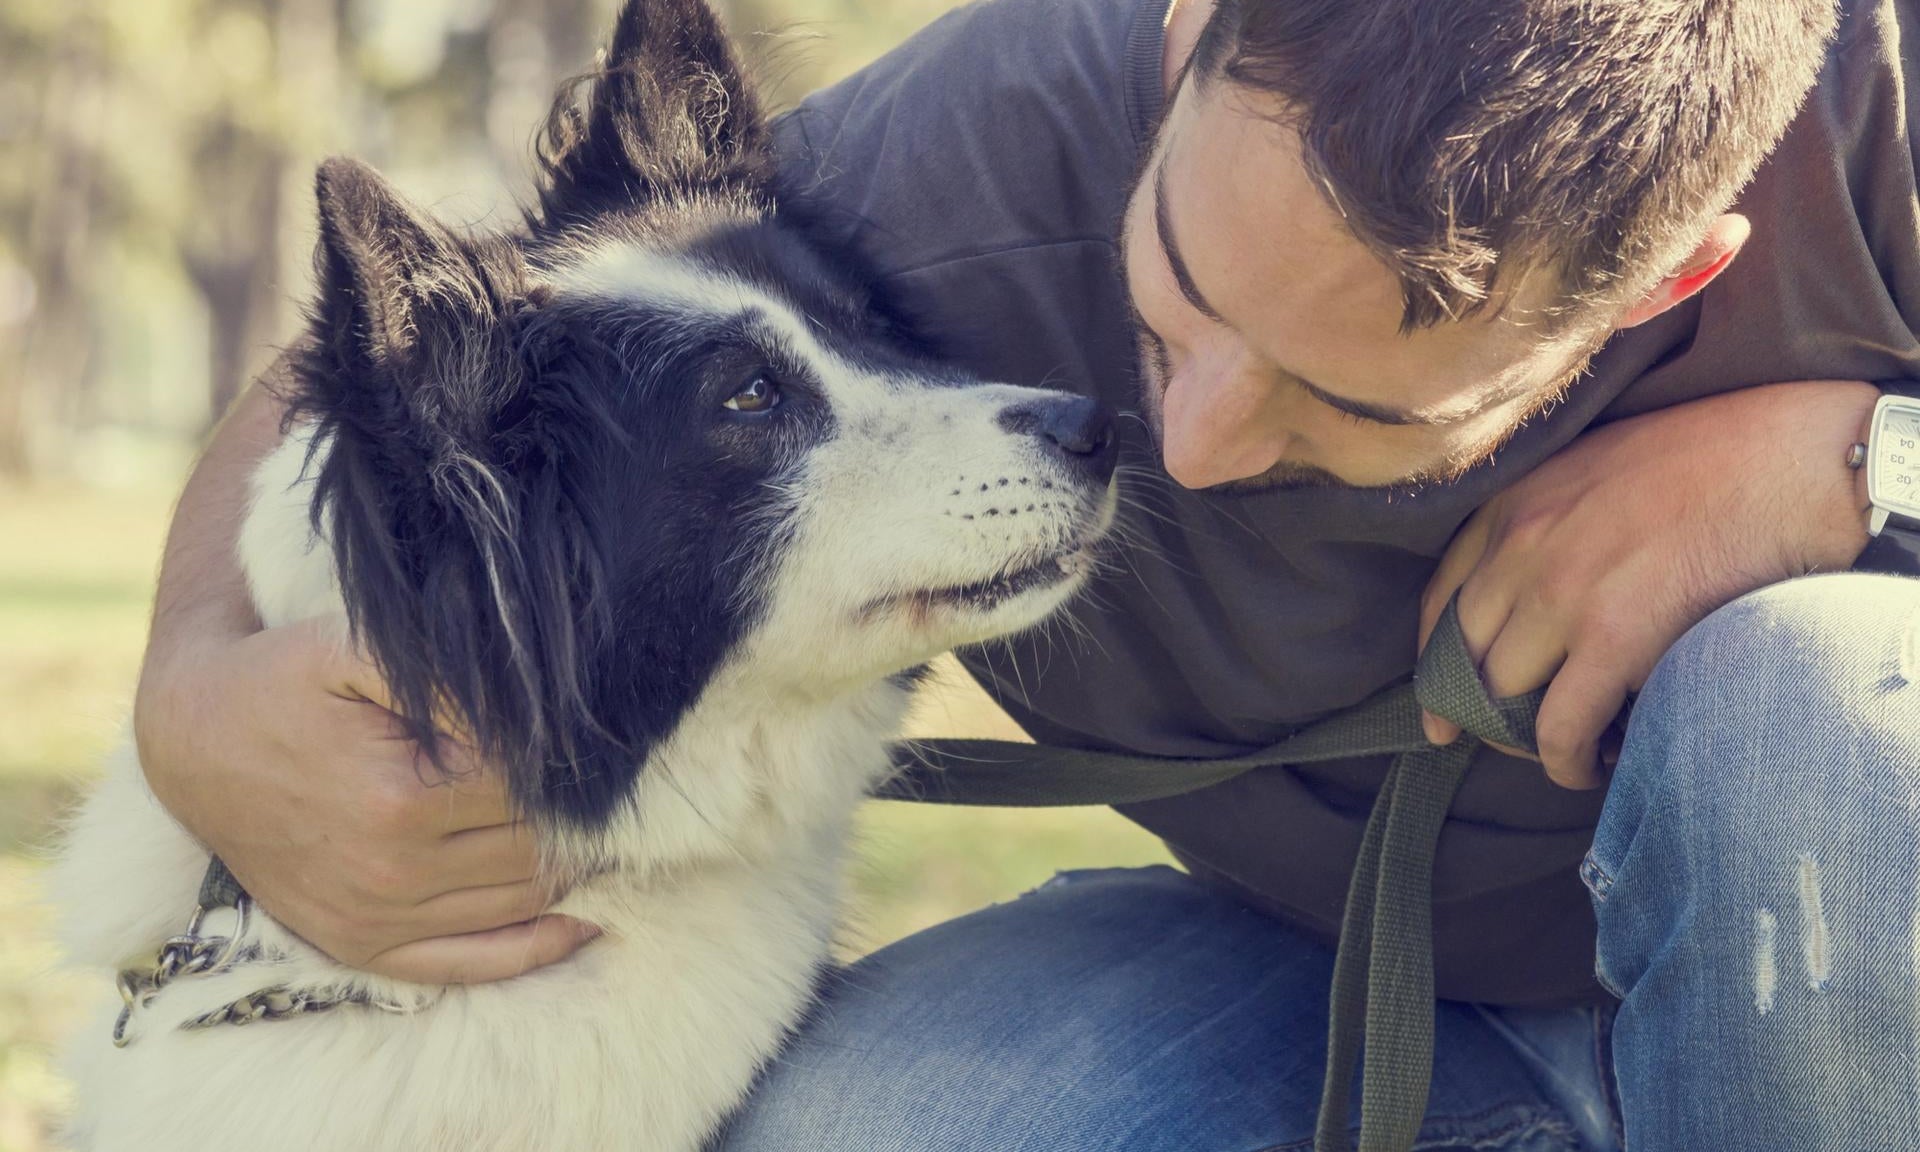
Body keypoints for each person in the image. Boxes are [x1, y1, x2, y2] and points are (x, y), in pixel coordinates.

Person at [134, 0, 1920, 1146]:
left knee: (1815, 708)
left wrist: (1839, 462)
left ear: (1664, 282)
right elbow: (472, 327)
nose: (1193, 444)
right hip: (1317, 988)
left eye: (1344, 403)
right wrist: (189, 690)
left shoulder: (1880, 118)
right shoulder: (969, 143)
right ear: (1193, 31)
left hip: (1851, 985)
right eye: (1177, 297)